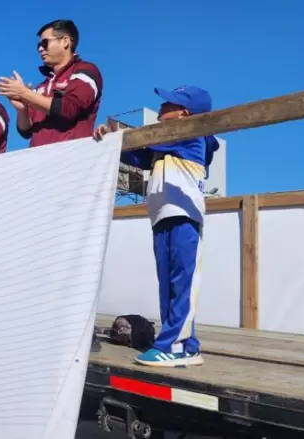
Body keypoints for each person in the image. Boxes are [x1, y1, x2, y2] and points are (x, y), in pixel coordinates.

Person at [94, 85, 220, 367]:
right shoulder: (167, 144)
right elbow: (135, 155)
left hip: (185, 216)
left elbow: (143, 143)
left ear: (184, 114)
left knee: (182, 284)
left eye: (167, 105)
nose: (161, 109)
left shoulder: (192, 134)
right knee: (169, 286)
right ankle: (187, 345)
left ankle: (174, 346)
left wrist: (119, 134)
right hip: (162, 217)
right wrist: (109, 139)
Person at [0, 19, 103, 147]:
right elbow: (26, 131)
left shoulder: (86, 71)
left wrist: (24, 93)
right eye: (38, 46)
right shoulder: (41, 87)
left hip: (72, 160)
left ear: (65, 42)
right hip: (40, 163)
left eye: (45, 43)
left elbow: (69, 108)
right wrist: (22, 110)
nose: (40, 49)